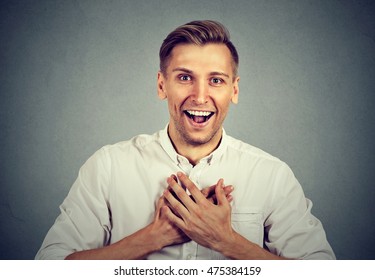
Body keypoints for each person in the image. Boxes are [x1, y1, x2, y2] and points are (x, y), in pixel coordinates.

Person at [35, 20, 335, 260]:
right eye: (184, 77)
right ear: (161, 84)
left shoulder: (272, 175)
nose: (200, 96)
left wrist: (227, 241)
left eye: (216, 80)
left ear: (234, 90)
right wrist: (154, 237)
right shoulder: (108, 166)